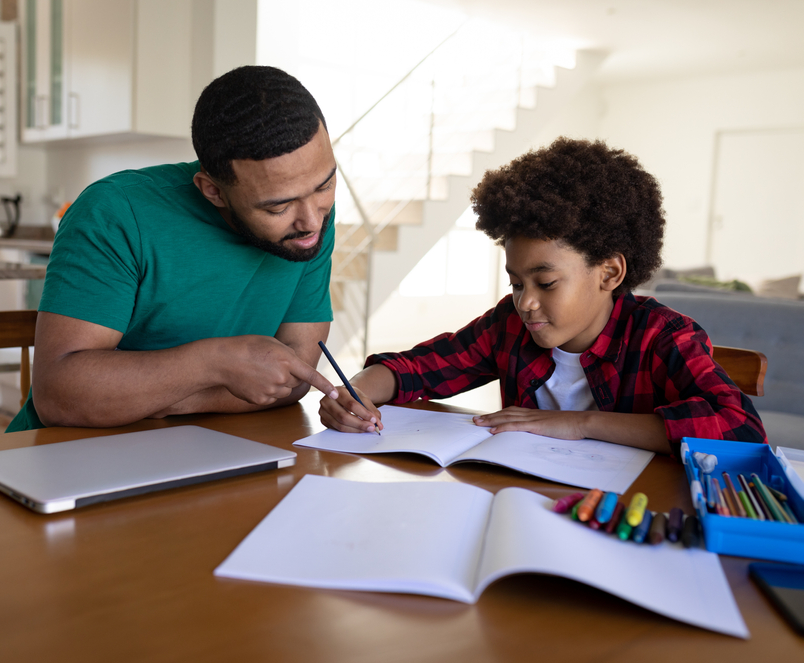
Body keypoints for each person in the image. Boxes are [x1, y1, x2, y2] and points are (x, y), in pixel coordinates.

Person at [318, 137, 766, 456]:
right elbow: (417, 368)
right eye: (516, 282)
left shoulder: (662, 337)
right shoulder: (508, 328)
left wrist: (579, 424)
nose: (525, 302)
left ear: (609, 272)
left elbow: (741, 429)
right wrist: (357, 393)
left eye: (545, 283)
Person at [8, 66, 340, 431]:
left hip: (217, 449)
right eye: (278, 207)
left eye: (325, 185)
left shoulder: (308, 222)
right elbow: (60, 397)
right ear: (212, 190)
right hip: (70, 457)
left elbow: (292, 378)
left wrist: (159, 400)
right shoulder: (115, 213)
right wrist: (215, 362)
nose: (311, 220)